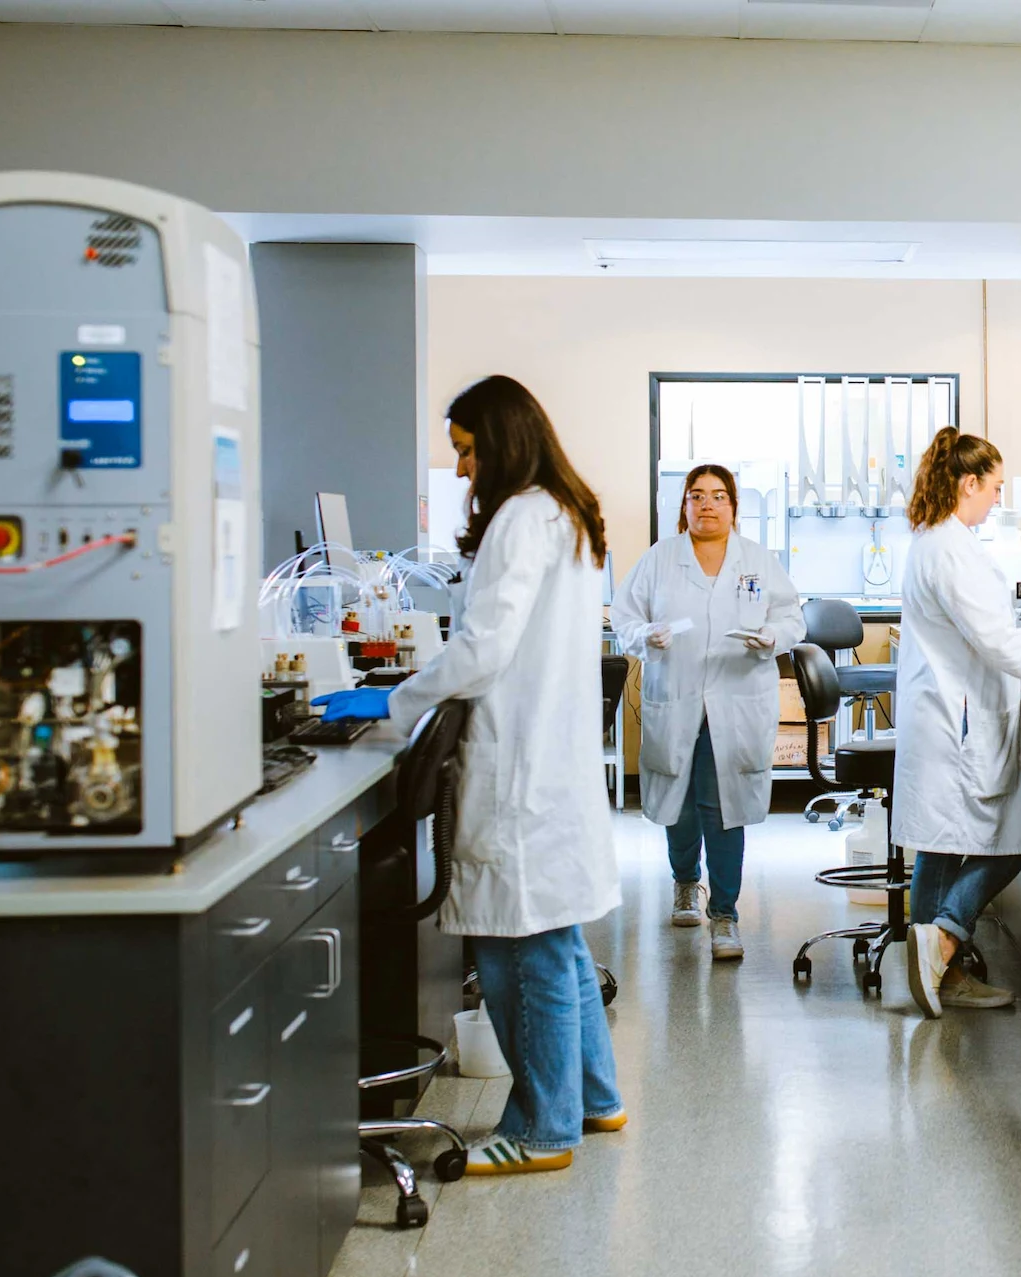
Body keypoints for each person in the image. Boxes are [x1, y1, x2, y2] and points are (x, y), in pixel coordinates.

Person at [313, 375, 622, 1175]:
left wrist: (392, 699)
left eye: (465, 451)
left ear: (502, 439)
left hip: (522, 766)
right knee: (556, 936)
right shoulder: (567, 513)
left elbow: (483, 650)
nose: (459, 471)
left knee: (528, 947)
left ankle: (546, 1128)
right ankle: (594, 1096)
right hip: (548, 759)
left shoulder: (522, 517)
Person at [892, 426, 1021, 1019]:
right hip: (959, 722)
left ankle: (939, 971)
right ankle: (947, 936)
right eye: (994, 486)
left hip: (949, 714)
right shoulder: (949, 548)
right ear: (967, 482)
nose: (998, 498)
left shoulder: (938, 539)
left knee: (940, 846)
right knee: (1015, 841)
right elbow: (999, 640)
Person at [610, 465, 804, 961]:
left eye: (718, 496)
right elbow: (624, 615)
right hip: (676, 697)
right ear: (685, 506)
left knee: (723, 808)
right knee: (679, 802)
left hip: (736, 699)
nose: (708, 505)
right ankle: (683, 882)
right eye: (697, 496)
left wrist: (772, 638)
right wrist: (643, 636)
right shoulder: (659, 559)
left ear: (733, 506)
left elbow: (791, 617)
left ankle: (725, 915)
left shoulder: (757, 561)